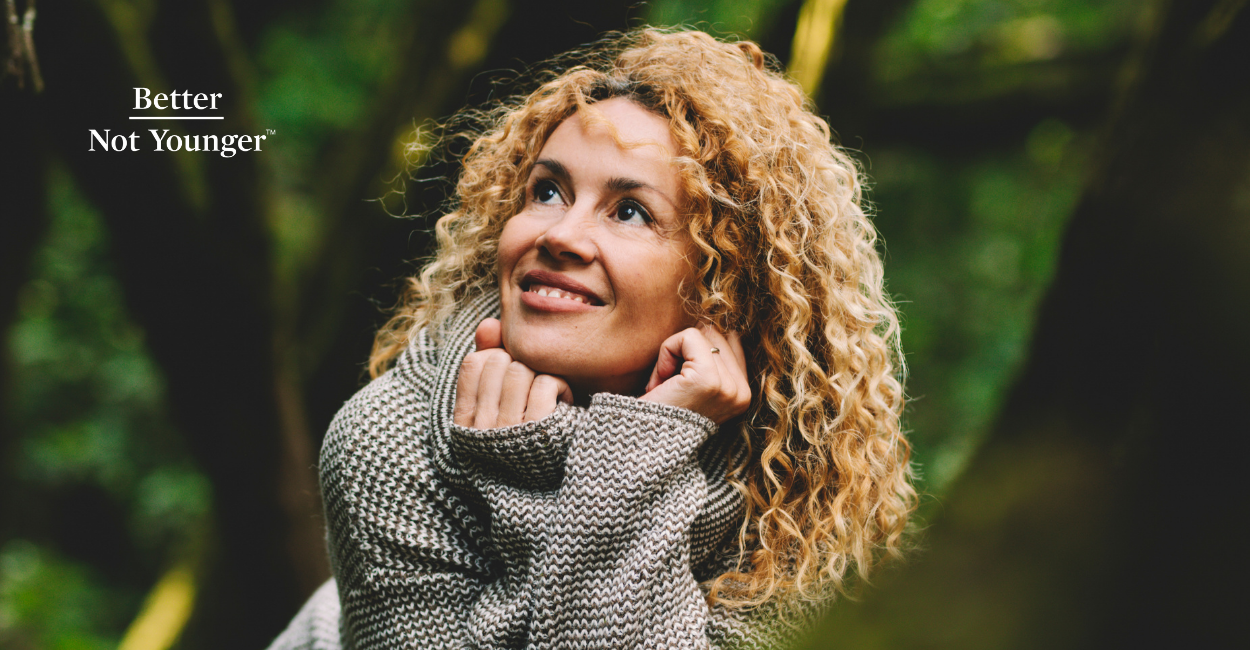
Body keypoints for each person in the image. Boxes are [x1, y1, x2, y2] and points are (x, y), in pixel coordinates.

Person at [267, 28, 915, 650]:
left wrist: (632, 456)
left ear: (728, 281)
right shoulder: (389, 438)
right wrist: (533, 480)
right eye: (546, 191)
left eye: (629, 210)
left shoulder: (794, 484)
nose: (560, 235)